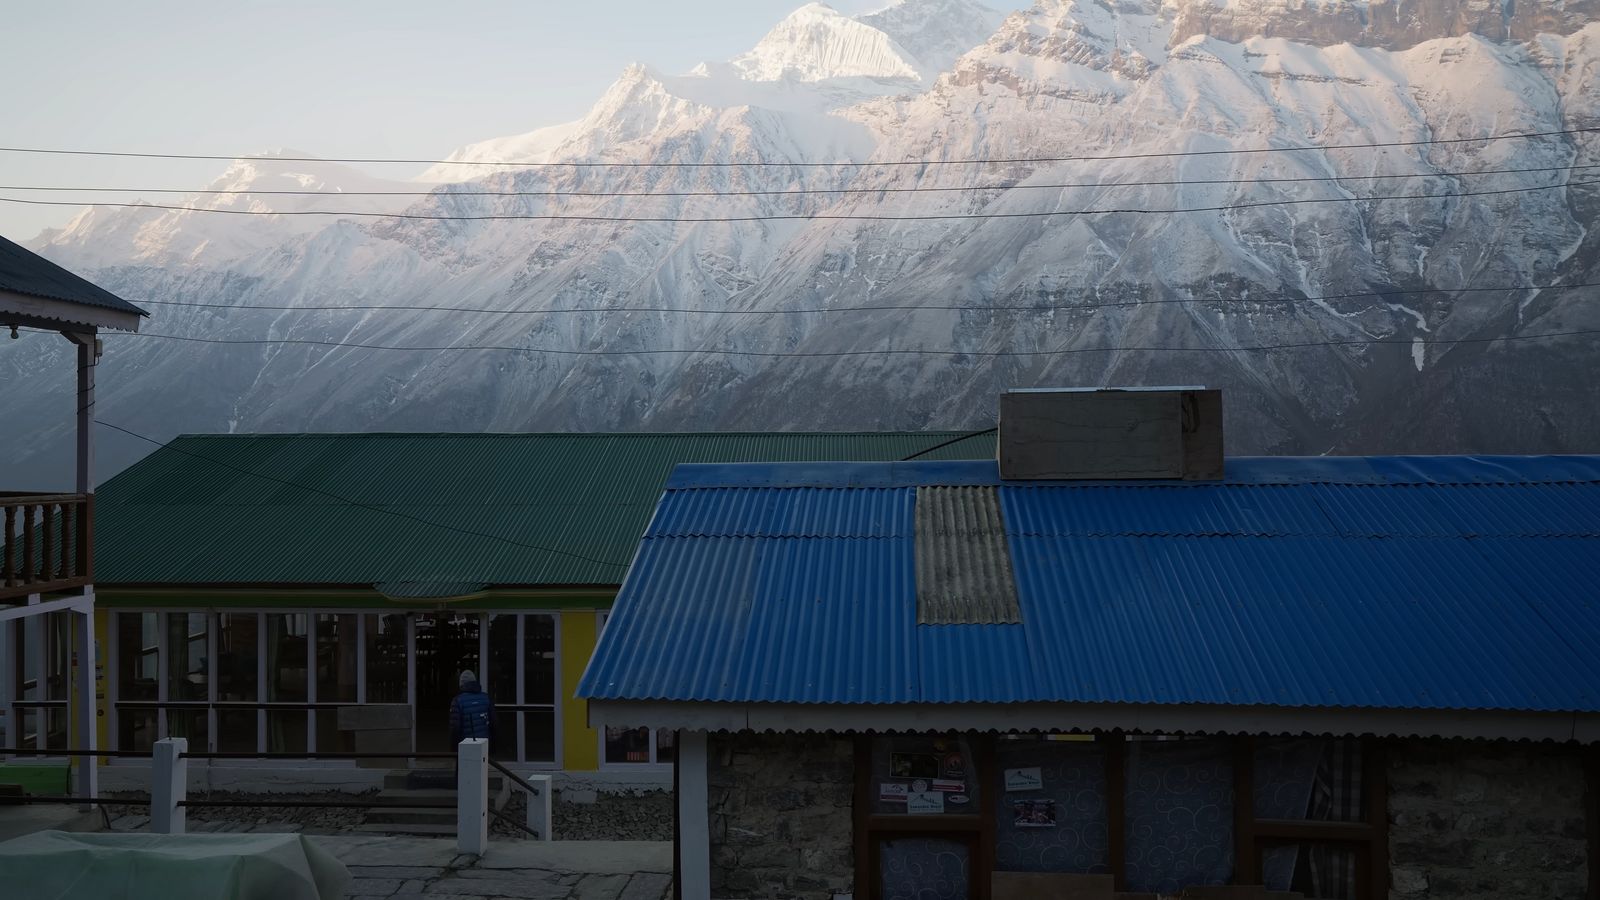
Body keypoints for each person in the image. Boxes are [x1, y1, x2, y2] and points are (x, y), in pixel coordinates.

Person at [448, 669, 494, 747]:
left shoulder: (457, 701)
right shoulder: (486, 698)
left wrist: (454, 747)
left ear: (461, 684)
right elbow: (494, 723)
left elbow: (455, 728)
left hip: (465, 745)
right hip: (484, 744)